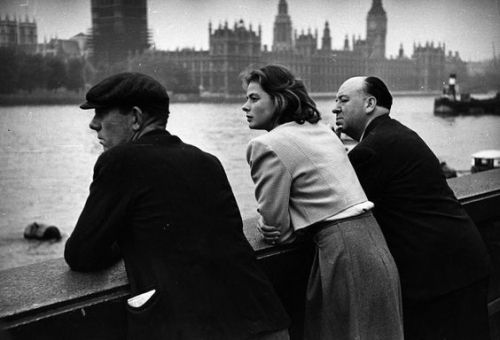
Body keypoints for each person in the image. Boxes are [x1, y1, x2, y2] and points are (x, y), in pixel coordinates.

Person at [64, 72, 290, 340]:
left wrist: (124, 239)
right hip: (262, 317)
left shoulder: (119, 160)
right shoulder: (207, 160)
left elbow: (81, 253)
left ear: (135, 118)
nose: (93, 124)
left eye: (101, 113)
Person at [241, 65, 403, 340]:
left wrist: (267, 221)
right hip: (374, 242)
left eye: (254, 98)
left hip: (341, 252)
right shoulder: (323, 131)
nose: (245, 106)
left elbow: (276, 229)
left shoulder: (266, 145)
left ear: (278, 99)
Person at [333, 76, 491, 340]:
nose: (335, 107)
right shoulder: (397, 133)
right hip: (462, 262)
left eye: (343, 100)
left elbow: (339, 204)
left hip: (437, 280)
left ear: (370, 103)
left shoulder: (370, 150)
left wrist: (331, 152)